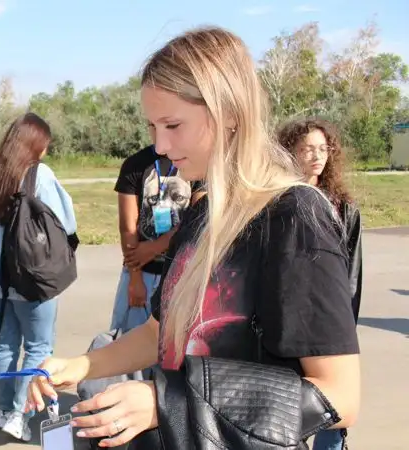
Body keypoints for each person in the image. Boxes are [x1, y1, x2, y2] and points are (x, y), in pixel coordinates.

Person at [28, 27, 360, 449]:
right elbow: (159, 334)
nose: (160, 146)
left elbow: (340, 396)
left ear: (230, 112)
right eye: (152, 126)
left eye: (173, 125)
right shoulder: (203, 214)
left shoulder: (294, 218)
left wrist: (166, 402)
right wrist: (81, 366)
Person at [0, 113, 77, 442]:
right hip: (30, 276)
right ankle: (20, 413)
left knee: (5, 343)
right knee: (38, 345)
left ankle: (5, 410)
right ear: (36, 144)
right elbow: (66, 222)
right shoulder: (38, 174)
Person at [277, 118, 363, 450]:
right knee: (289, 408)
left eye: (323, 149)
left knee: (333, 411)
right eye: (307, 149)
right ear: (289, 152)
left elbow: (351, 273)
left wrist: (346, 323)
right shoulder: (277, 201)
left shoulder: (344, 208)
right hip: (288, 317)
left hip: (328, 319)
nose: (316, 156)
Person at [111, 144, 191, 337]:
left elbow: (197, 218)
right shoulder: (135, 164)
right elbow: (127, 227)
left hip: (181, 273)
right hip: (141, 271)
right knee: (128, 339)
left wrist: (156, 247)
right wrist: (135, 278)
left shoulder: (193, 162)